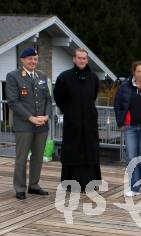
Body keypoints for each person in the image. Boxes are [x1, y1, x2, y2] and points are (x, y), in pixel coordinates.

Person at [6, 47, 52, 200]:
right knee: (21, 157)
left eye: (35, 59)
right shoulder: (13, 76)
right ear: (22, 60)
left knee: (38, 157)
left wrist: (46, 116)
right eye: (30, 59)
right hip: (24, 124)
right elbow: (13, 101)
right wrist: (31, 118)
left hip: (42, 124)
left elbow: (48, 99)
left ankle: (34, 185)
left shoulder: (42, 75)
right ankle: (20, 188)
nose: (33, 62)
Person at [53, 48, 101, 192]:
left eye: (84, 58)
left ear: (87, 60)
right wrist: (69, 111)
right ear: (74, 59)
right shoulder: (64, 77)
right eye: (79, 58)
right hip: (72, 123)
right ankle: (70, 184)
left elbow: (93, 95)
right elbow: (58, 97)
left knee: (90, 151)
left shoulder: (93, 78)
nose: (81, 60)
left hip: (89, 123)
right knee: (72, 151)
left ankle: (91, 183)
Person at [114, 61, 141, 196]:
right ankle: (134, 186)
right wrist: (120, 122)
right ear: (133, 72)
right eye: (138, 71)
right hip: (130, 128)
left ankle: (138, 184)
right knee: (131, 156)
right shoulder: (124, 87)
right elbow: (117, 105)